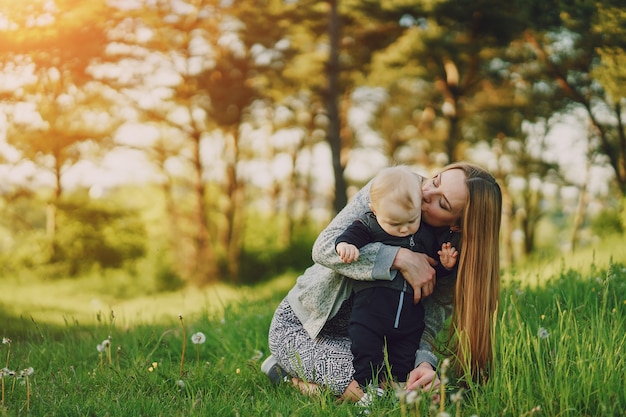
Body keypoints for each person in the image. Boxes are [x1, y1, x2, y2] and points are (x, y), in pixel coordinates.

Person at [262, 162, 502, 403]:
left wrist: (425, 365)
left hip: (364, 342)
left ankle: (301, 375)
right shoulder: (394, 185)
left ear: (456, 225)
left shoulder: (448, 257)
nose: (426, 193)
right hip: (305, 327)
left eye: (442, 203)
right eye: (435, 181)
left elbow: (428, 322)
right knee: (376, 390)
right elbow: (324, 247)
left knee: (406, 390)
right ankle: (287, 378)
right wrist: (399, 258)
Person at [334, 166, 457, 391]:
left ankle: (401, 388)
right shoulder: (371, 223)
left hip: (409, 319)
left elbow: (432, 274)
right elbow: (347, 237)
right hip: (370, 312)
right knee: (366, 351)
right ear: (374, 211)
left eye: (411, 221)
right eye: (395, 224)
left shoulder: (427, 235)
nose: (403, 230)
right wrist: (346, 246)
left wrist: (445, 267)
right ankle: (368, 388)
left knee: (404, 358)